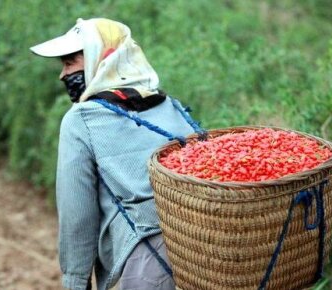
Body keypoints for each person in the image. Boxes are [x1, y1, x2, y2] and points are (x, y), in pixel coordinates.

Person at [30, 18, 205, 290]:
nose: (62, 75)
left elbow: (76, 212)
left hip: (148, 262)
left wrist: (76, 281)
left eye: (69, 63)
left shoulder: (81, 119)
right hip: (205, 250)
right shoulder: (171, 106)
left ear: (100, 60)